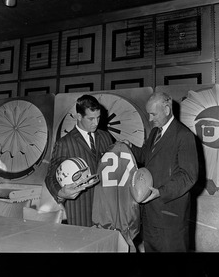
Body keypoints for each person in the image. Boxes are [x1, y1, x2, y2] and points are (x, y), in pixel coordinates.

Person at [125, 92, 199, 252]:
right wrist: (129, 147)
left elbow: (188, 176)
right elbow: (145, 156)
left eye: (153, 114)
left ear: (166, 109)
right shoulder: (154, 133)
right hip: (151, 215)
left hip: (170, 217)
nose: (150, 119)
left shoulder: (184, 135)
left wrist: (161, 192)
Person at [45, 94, 113, 226]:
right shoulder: (64, 143)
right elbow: (51, 176)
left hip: (106, 211)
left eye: (98, 118)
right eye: (91, 119)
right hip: (79, 212)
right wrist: (61, 192)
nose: (96, 123)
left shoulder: (105, 137)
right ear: (78, 116)